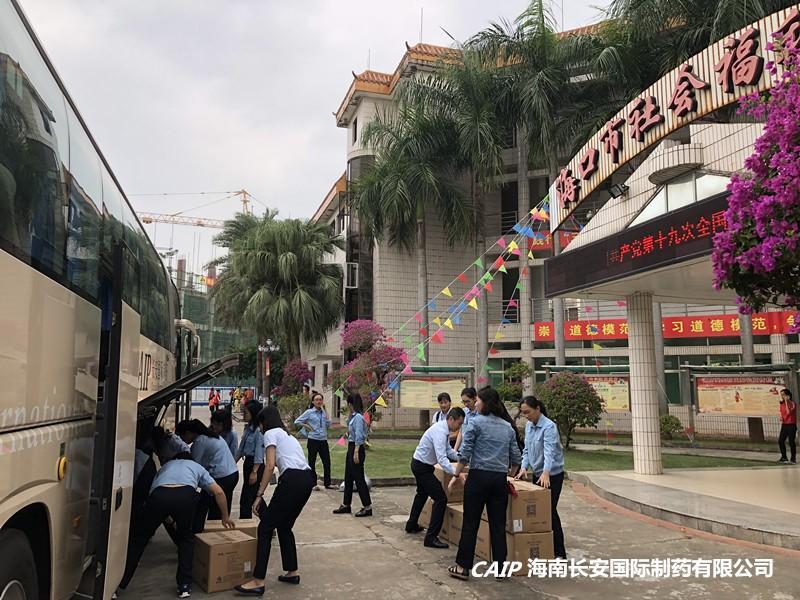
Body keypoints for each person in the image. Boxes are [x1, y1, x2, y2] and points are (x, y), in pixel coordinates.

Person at [119, 452, 235, 598]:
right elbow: (218, 492)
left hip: (159, 495)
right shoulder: (197, 467)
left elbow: (153, 496)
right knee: (186, 540)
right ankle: (184, 586)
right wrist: (225, 517)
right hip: (185, 495)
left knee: (138, 541)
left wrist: (169, 520)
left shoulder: (165, 467)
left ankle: (119, 583)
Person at [234, 406, 316, 595]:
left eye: (260, 424)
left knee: (265, 527)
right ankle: (292, 572)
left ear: (264, 422)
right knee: (285, 526)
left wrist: (259, 495)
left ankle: (258, 581)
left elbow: (270, 465)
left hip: (292, 480)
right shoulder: (288, 436)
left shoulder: (270, 433)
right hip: (306, 479)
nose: (260, 429)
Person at [446, 387, 521, 581]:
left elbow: (466, 452)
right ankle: (501, 569)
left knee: (471, 523)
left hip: (478, 477)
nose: (476, 403)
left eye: (478, 400)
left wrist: (456, 474)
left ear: (485, 403)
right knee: (498, 525)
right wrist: (509, 475)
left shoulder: (475, 423)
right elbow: (516, 458)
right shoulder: (507, 427)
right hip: (499, 480)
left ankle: (463, 567)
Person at [406, 407, 465, 549]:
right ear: (451, 419)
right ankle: (431, 537)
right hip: (422, 467)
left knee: (421, 494)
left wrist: (462, 458)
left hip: (421, 464)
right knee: (440, 499)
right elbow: (442, 458)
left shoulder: (444, 430)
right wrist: (456, 473)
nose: (459, 427)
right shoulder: (440, 431)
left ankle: (411, 524)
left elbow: (448, 450)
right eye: (459, 423)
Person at [516, 396, 567, 559]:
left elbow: (549, 451)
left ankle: (559, 552)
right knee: (540, 513)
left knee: (549, 511)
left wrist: (546, 472)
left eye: (528, 412)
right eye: (523, 413)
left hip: (552, 475)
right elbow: (526, 450)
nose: (526, 416)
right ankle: (545, 547)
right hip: (539, 474)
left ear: (537, 409)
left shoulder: (549, 426)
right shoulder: (529, 426)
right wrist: (524, 467)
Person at [176, 419, 240, 532]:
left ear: (188, 433)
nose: (182, 440)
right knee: (215, 507)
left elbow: (194, 467)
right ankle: (213, 533)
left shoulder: (199, 442)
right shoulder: (210, 435)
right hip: (232, 474)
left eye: (181, 436)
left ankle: (202, 533)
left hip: (221, 477)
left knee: (204, 506)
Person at [333, 394, 372, 517]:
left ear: (350, 404)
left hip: (356, 448)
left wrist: (356, 452)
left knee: (359, 478)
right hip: (351, 447)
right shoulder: (353, 417)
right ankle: (346, 504)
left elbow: (360, 436)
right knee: (348, 477)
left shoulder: (359, 417)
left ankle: (367, 507)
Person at [294, 392, 334, 490]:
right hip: (313, 440)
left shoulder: (323, 412)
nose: (319, 401)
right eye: (316, 400)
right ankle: (313, 484)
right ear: (313, 402)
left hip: (323, 440)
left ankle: (328, 483)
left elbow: (328, 425)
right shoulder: (309, 412)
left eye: (320, 399)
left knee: (327, 462)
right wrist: (306, 426)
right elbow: (297, 422)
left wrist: (325, 412)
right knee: (311, 462)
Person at [236, 401, 266, 518]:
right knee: (251, 496)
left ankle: (248, 522)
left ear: (253, 413)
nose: (244, 415)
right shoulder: (248, 428)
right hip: (248, 463)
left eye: (246, 413)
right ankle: (268, 521)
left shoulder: (258, 431)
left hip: (255, 465)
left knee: (247, 498)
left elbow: (259, 453)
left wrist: (254, 472)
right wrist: (232, 463)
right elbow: (241, 449)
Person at [778, 388, 797, 464]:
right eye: (781, 395)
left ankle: (793, 459)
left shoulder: (793, 403)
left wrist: (786, 401)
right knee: (781, 441)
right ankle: (784, 457)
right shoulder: (781, 404)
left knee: (791, 441)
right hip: (784, 424)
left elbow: (788, 412)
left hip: (791, 425)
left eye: (784, 395)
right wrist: (781, 417)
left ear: (788, 395)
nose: (782, 396)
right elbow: (782, 412)